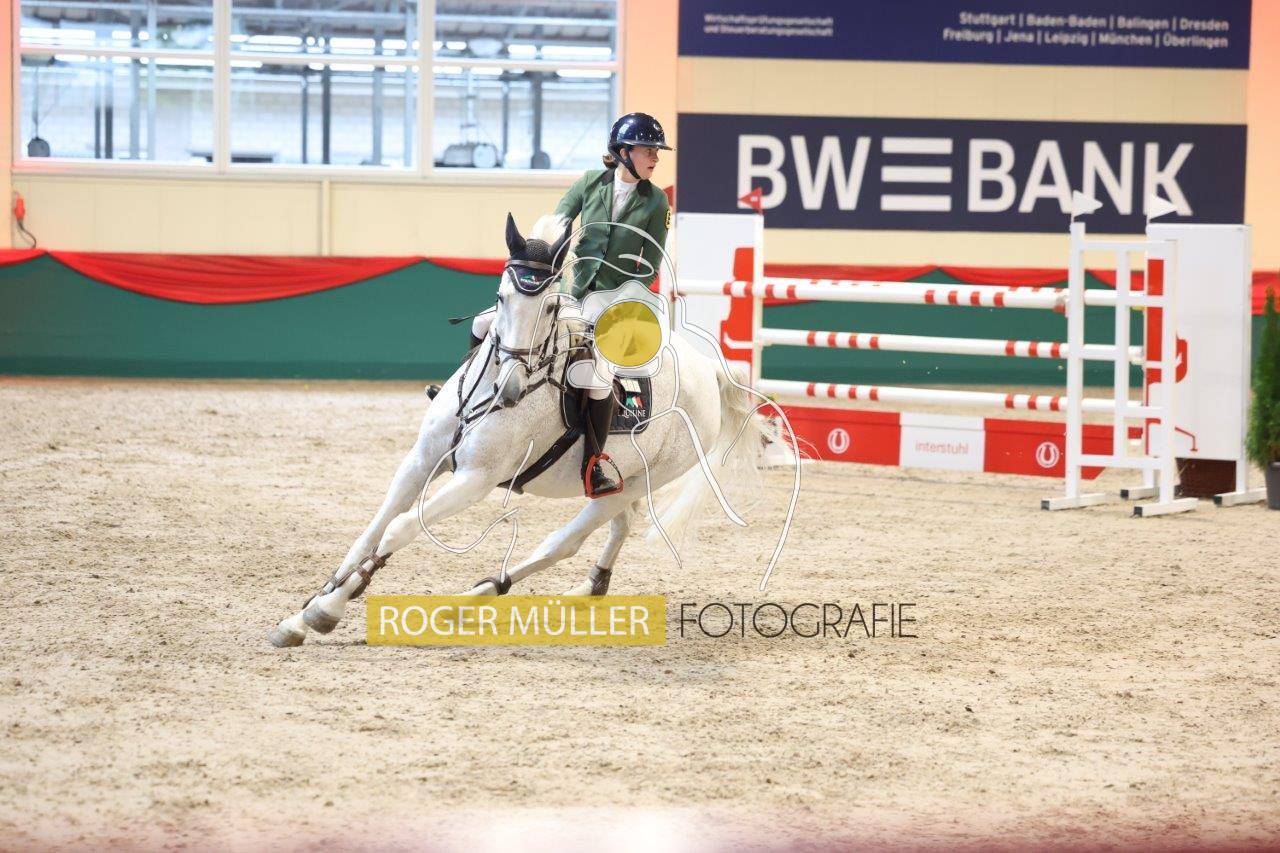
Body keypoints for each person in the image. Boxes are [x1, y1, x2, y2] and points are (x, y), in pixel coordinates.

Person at [462, 111, 673, 499]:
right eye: (649, 151)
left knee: (600, 374)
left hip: (613, 300)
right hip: (569, 288)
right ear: (624, 152)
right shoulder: (589, 183)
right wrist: (538, 260)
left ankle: (594, 463)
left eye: (656, 152)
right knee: (481, 323)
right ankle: (465, 395)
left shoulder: (656, 202)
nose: (655, 158)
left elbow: (651, 266)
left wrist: (624, 299)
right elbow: (556, 225)